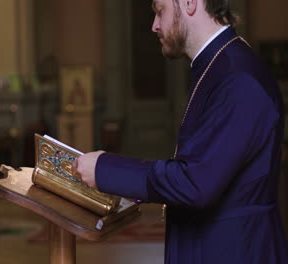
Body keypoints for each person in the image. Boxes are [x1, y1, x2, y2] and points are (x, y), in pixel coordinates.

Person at [72, 0, 288, 263]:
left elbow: (197, 182)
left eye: (159, 11)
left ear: (189, 3)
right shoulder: (218, 66)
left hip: (234, 250)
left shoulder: (239, 78)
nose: (154, 25)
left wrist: (105, 169)